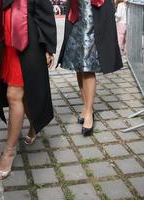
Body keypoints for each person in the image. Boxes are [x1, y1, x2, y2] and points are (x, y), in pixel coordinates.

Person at [0, 0, 57, 181]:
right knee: (24, 96)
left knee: (14, 95)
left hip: (29, 41)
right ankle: (34, 124)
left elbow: (44, 12)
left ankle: (9, 152)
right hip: (6, 44)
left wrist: (47, 46)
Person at [58, 0, 123, 137]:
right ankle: (86, 106)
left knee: (88, 64)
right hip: (77, 11)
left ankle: (89, 112)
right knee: (78, 63)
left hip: (94, 12)